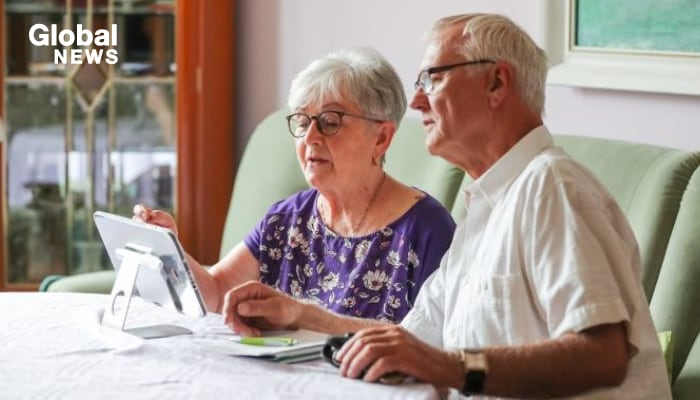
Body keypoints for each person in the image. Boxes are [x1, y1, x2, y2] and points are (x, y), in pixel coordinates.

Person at [222, 14, 671, 399]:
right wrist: (300, 314)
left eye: (432, 79)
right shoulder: (484, 210)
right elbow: (410, 342)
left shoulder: (552, 186)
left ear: (496, 83)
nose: (416, 101)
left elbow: (604, 354)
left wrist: (453, 367)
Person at [134, 47, 456, 324]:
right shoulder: (287, 219)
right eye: (302, 122)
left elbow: (433, 346)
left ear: (381, 138)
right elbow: (217, 294)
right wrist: (168, 247)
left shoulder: (427, 229)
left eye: (330, 122)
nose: (310, 137)